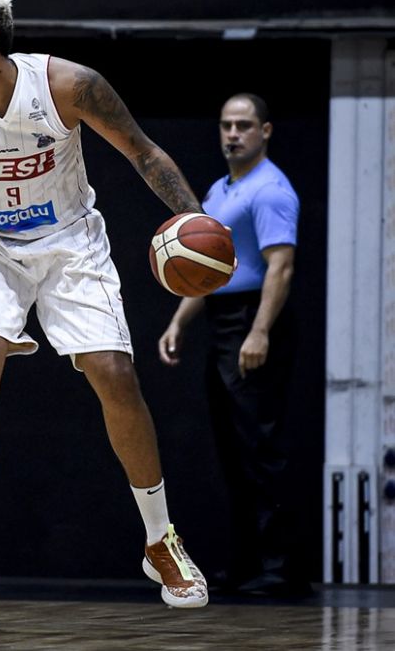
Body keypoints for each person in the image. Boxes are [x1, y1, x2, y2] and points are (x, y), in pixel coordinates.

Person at [0, 0, 209, 624]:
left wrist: (196, 220)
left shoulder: (69, 86)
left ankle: (161, 541)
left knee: (115, 375)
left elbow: (143, 153)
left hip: (70, 242)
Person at [158, 94, 306, 596]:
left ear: (265, 131)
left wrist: (259, 331)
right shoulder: (221, 190)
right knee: (233, 448)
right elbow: (210, 268)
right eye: (226, 125)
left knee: (261, 447)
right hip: (223, 319)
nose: (233, 134)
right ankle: (247, 564)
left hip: (254, 320)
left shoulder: (271, 190)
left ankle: (282, 569)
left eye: (244, 125)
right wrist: (179, 322)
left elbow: (280, 267)